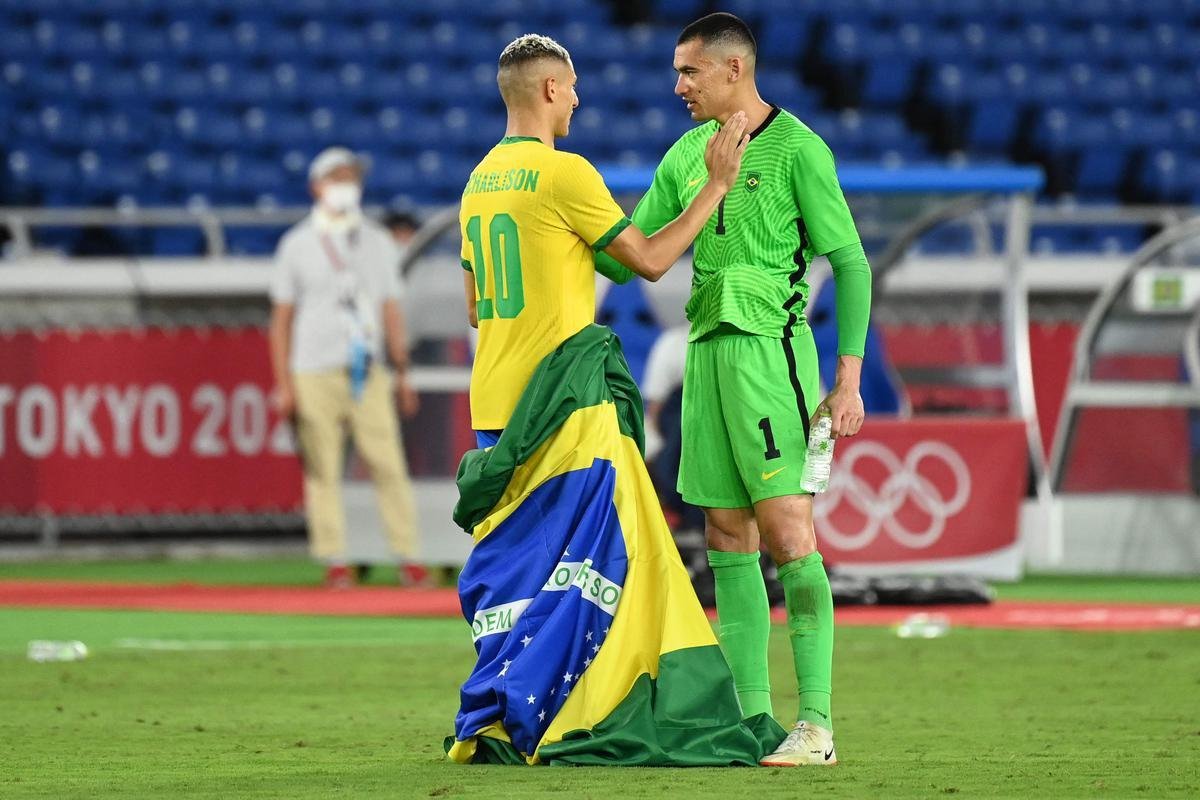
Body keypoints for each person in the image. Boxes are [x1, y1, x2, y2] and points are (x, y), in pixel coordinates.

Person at [597, 13, 872, 766]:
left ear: (733, 69)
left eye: (689, 72)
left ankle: (815, 725)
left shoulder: (797, 148)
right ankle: (753, 721)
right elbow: (626, 255)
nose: (678, 86)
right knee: (724, 534)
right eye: (677, 72)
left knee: (788, 533)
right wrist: (566, 221)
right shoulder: (686, 154)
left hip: (770, 354)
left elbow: (851, 263)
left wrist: (847, 378)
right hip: (705, 355)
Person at [459, 33, 749, 444]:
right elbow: (650, 261)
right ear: (551, 88)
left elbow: (475, 310)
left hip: (492, 405)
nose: (576, 100)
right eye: (572, 87)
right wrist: (716, 185)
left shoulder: (477, 181)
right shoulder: (564, 172)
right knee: (618, 487)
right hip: (554, 404)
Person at [269, 146, 426, 589]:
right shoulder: (297, 244)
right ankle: (335, 558)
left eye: (352, 177)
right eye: (338, 177)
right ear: (316, 186)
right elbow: (281, 320)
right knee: (323, 468)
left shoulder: (376, 240)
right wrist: (283, 384)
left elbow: (390, 309)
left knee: (388, 462)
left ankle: (408, 554)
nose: (347, 185)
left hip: (366, 367)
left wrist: (403, 373)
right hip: (313, 367)